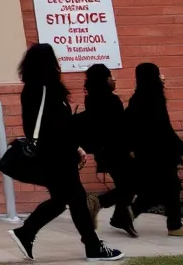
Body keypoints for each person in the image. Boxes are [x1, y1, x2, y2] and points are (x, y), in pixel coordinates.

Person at [8, 44, 123, 262]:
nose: (58, 63)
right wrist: (77, 138)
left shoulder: (35, 88)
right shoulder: (44, 89)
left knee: (64, 200)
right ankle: (92, 247)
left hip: (55, 153)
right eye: (55, 59)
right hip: (57, 155)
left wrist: (75, 146)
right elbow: (56, 125)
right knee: (76, 199)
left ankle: (27, 233)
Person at [126, 62, 183, 237]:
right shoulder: (154, 97)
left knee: (160, 190)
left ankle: (131, 214)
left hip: (147, 153)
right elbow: (164, 129)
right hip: (160, 153)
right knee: (169, 188)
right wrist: (182, 148)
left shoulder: (138, 98)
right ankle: (174, 225)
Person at [80, 64, 137, 237]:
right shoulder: (111, 101)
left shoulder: (92, 99)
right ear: (105, 80)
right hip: (117, 150)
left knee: (126, 185)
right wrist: (130, 148)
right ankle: (98, 202)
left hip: (104, 150)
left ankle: (120, 218)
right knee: (131, 184)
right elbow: (120, 128)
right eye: (111, 77)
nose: (114, 81)